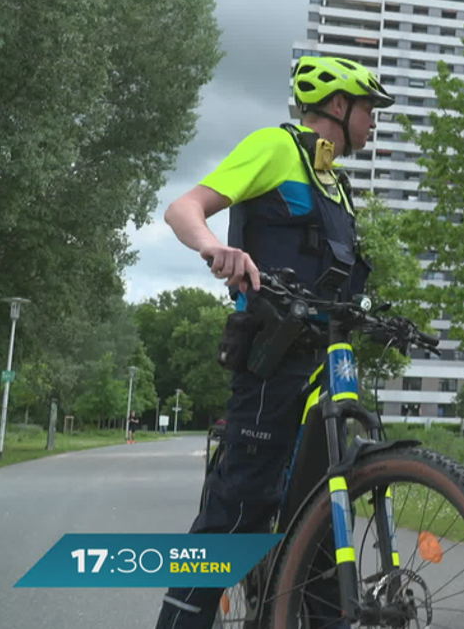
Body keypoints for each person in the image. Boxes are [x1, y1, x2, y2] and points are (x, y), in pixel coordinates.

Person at [153, 55, 391, 629]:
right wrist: (216, 248)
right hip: (271, 356)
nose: (374, 124)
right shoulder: (275, 147)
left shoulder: (337, 183)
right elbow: (183, 208)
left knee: (321, 513)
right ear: (339, 106)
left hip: (326, 363)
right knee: (237, 512)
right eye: (369, 111)